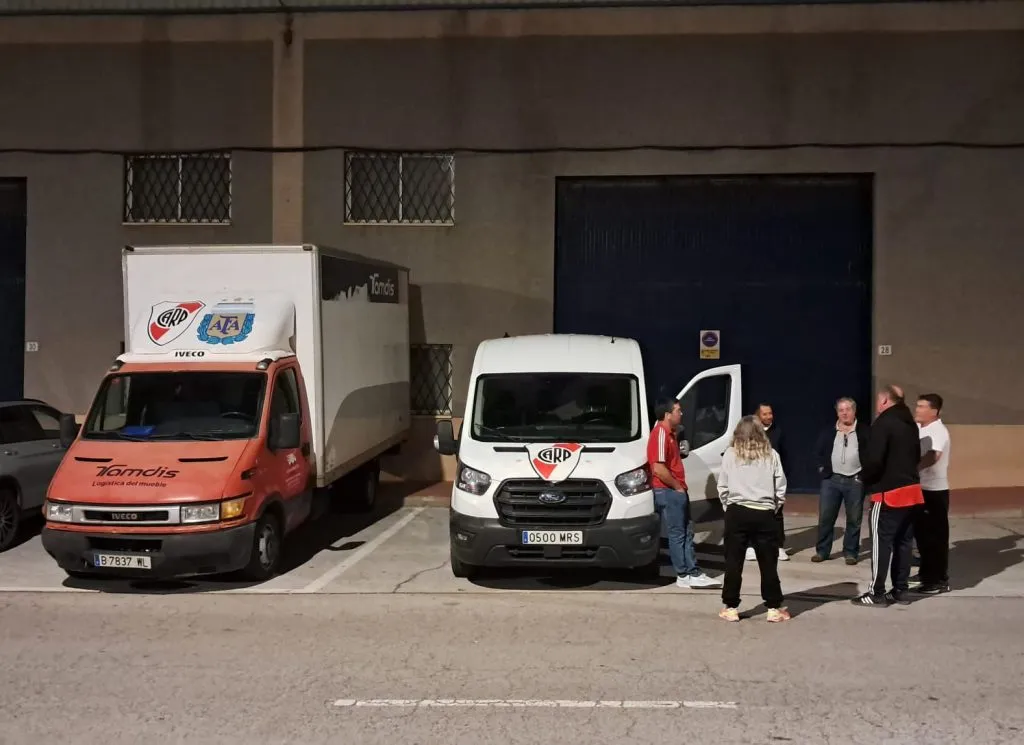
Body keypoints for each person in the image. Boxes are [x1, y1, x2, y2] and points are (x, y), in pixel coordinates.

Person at [851, 385, 925, 607]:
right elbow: (916, 455)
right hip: (911, 492)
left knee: (880, 543)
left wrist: (862, 477)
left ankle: (876, 592)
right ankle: (900, 590)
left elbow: (875, 459)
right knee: (903, 542)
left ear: (884, 401)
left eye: (877, 401)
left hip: (888, 493)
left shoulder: (883, 423)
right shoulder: (910, 424)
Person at [717, 415, 790, 623]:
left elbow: (723, 486)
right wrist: (773, 507)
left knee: (733, 562)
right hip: (764, 512)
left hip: (737, 511)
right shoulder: (771, 454)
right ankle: (773, 607)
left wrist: (728, 507)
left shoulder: (731, 454)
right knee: (768, 563)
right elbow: (780, 487)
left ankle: (730, 606)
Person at [647, 398, 721, 590]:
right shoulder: (661, 434)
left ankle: (691, 572)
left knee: (686, 531)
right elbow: (658, 468)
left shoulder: (671, 434)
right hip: (670, 491)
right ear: (667, 414)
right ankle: (685, 574)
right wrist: (676, 487)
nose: (682, 414)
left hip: (676, 489)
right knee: (678, 534)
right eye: (678, 410)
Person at [812, 397, 871, 564]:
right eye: (841, 410)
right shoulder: (828, 432)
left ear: (854, 411)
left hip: (855, 480)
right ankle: (822, 551)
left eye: (848, 410)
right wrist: (822, 469)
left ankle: (851, 552)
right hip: (831, 480)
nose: (844, 413)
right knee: (826, 517)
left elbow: (871, 455)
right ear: (837, 413)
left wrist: (863, 476)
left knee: (854, 519)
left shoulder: (865, 431)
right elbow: (818, 453)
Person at [911, 393, 952, 594]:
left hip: (934, 492)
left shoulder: (939, 431)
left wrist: (911, 471)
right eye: (917, 405)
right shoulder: (919, 428)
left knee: (934, 538)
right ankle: (926, 575)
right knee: (922, 538)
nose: (917, 409)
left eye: (921, 406)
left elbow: (932, 456)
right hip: (921, 489)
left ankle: (937, 581)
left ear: (933, 411)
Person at [747, 403, 789, 563]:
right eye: (765, 414)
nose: (768, 417)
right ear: (758, 416)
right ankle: (751, 546)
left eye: (770, 413)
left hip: (772, 480)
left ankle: (778, 546)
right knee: (752, 513)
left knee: (776, 514)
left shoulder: (778, 432)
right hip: (754, 482)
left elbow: (785, 456)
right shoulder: (751, 432)